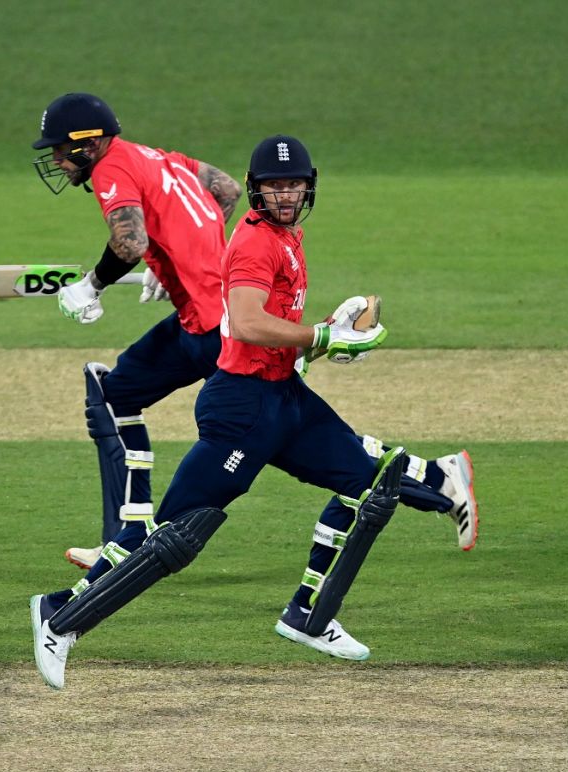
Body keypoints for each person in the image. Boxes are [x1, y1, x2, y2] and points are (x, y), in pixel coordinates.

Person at [31, 134, 479, 690]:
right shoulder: (254, 245)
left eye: (294, 185)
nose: (285, 195)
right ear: (256, 191)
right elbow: (244, 323)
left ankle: (309, 616)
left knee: (375, 485)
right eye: (274, 187)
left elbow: (275, 328)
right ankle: (59, 615)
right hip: (241, 408)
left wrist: (326, 339)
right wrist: (322, 335)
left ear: (308, 187)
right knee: (174, 538)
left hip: (284, 398)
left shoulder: (289, 236)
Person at [30, 92, 243, 571]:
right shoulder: (153, 155)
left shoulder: (112, 168)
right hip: (203, 319)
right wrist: (177, 254)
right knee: (115, 395)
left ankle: (433, 481)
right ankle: (127, 538)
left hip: (219, 331)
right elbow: (226, 189)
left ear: (88, 144)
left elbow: (128, 243)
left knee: (289, 437)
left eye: (61, 150)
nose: (58, 160)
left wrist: (91, 286)